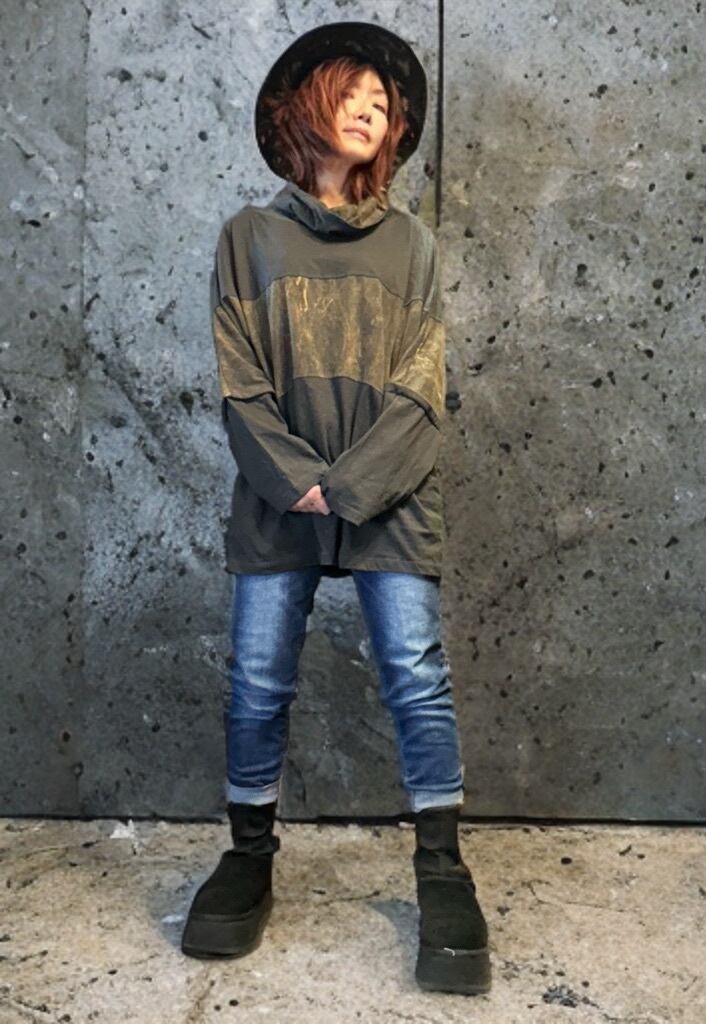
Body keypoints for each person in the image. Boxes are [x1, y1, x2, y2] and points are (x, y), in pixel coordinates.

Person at [181, 21, 492, 995]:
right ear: (302, 106)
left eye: (383, 102)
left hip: (391, 497)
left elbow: (421, 388)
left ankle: (440, 867)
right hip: (278, 498)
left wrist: (350, 488)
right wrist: (297, 482)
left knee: (415, 673)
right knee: (256, 679)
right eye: (350, 92)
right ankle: (247, 855)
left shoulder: (413, 247)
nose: (369, 109)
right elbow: (239, 385)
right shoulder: (248, 239)